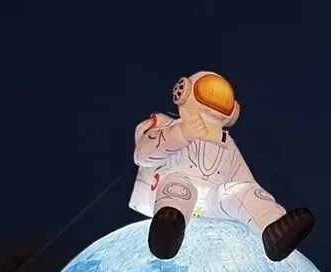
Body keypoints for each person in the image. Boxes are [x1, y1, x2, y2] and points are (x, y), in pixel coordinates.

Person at [129, 71, 314, 261]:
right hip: (171, 191)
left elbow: (242, 178)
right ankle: (167, 231)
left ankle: (272, 228)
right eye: (208, 91)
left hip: (212, 201)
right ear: (183, 92)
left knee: (241, 191)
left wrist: (248, 194)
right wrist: (181, 133)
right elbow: (143, 155)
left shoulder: (226, 143)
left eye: (223, 98)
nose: (215, 100)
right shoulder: (167, 125)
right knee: (178, 184)